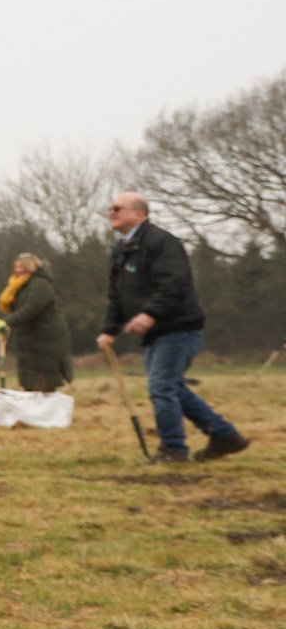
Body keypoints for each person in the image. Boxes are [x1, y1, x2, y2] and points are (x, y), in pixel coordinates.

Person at [100, 192, 250, 461]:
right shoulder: (120, 250)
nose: (111, 212)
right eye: (111, 208)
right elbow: (117, 295)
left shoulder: (162, 242)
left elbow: (175, 283)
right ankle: (225, 436)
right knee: (171, 387)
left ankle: (174, 449)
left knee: (161, 386)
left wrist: (149, 314)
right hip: (156, 334)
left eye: (118, 208)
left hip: (179, 328)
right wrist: (109, 329)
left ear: (140, 213)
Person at [0, 254, 71, 394]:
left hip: (45, 338)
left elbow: (32, 308)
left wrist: (7, 322)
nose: (16, 269)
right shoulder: (20, 286)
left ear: (30, 266)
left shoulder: (40, 284)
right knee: (31, 382)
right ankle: (34, 411)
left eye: (20, 266)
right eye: (16, 266)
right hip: (29, 339)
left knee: (44, 380)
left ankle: (45, 411)